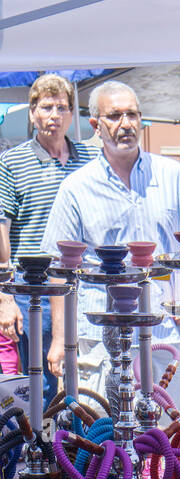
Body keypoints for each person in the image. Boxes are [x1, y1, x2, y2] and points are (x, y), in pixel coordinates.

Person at [41, 81, 180, 414]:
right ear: (95, 125)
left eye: (132, 114)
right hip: (99, 340)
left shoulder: (174, 175)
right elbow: (59, 269)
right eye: (115, 116)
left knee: (170, 443)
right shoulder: (76, 188)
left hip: (165, 333)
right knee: (105, 444)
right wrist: (58, 340)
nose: (126, 124)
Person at [0, 74, 96, 400]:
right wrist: (6, 296)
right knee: (42, 385)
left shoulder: (91, 161)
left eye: (61, 107)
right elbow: (1, 229)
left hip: (86, 286)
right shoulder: (12, 162)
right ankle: (46, 448)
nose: (53, 115)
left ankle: (85, 446)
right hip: (34, 290)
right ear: (32, 113)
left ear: (72, 114)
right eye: (46, 107)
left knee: (86, 380)